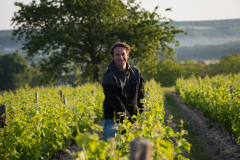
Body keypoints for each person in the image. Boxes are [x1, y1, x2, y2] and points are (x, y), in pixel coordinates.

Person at [102, 42, 145, 142]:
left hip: (133, 119)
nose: (120, 57)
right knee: (112, 153)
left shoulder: (136, 72)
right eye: (117, 55)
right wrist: (131, 122)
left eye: (123, 54)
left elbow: (141, 96)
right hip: (114, 121)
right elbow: (116, 103)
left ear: (127, 55)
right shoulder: (109, 77)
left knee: (133, 154)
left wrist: (142, 117)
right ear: (112, 57)